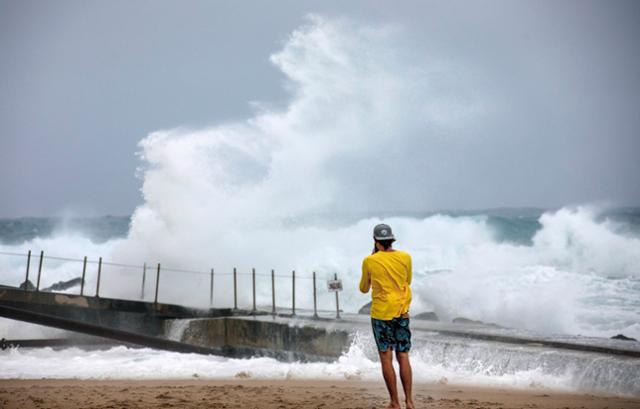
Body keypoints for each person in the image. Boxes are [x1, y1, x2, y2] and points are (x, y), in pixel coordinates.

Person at [360, 223, 414, 409]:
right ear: (392, 239)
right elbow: (407, 280)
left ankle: (394, 402)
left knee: (386, 357)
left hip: (382, 314)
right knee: (403, 355)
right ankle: (409, 401)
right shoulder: (406, 257)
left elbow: (363, 288)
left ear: (376, 241)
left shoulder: (370, 260)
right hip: (402, 311)